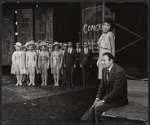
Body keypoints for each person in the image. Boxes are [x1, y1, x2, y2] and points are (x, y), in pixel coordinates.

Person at [88, 52, 128, 123]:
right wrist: (97, 98)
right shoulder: (104, 69)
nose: (102, 62)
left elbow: (116, 91)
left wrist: (103, 101)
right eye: (101, 60)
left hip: (119, 99)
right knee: (92, 108)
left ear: (111, 61)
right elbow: (102, 85)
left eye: (104, 60)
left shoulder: (119, 71)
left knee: (98, 109)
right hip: (109, 96)